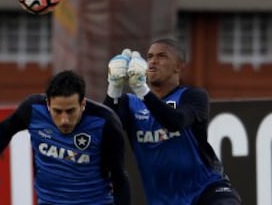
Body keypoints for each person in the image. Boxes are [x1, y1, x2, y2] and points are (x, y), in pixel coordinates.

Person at [104, 38, 242, 205]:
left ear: (179, 66)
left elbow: (175, 121)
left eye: (162, 56)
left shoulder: (193, 96)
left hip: (206, 189)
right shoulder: (131, 103)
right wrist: (114, 88)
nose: (153, 62)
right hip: (163, 200)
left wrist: (141, 89)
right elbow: (104, 131)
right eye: (149, 57)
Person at [0, 70, 131, 205]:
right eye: (57, 111)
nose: (64, 120)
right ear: (48, 104)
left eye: (70, 111)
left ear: (82, 104)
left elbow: (119, 176)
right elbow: (5, 129)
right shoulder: (33, 109)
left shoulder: (105, 122)